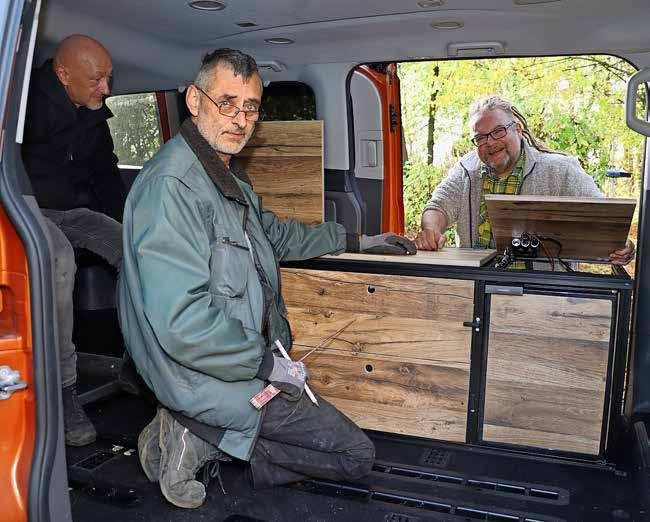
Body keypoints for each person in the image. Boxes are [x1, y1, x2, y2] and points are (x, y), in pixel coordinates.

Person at [117, 48, 416, 509]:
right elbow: (182, 322)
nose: (240, 119)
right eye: (227, 103)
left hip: (235, 363)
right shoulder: (171, 187)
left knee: (334, 446)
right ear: (195, 101)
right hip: (201, 375)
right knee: (355, 455)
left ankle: (195, 431)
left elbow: (274, 235)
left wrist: (357, 240)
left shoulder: (225, 177)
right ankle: (198, 433)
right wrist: (265, 364)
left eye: (251, 107)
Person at [21, 35, 125, 445]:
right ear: (63, 74)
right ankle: (62, 391)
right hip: (22, 209)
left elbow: (105, 172)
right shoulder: (23, 102)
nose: (106, 88)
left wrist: (131, 223)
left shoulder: (92, 112)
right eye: (97, 79)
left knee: (134, 249)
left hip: (69, 212)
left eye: (109, 78)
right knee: (59, 258)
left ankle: (143, 361)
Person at [415, 95, 635, 266]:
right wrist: (431, 230)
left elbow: (603, 218)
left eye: (498, 131)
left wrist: (620, 245)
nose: (490, 142)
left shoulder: (561, 170)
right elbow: (438, 206)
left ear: (518, 129)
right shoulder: (465, 170)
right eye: (480, 137)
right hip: (477, 288)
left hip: (543, 293)